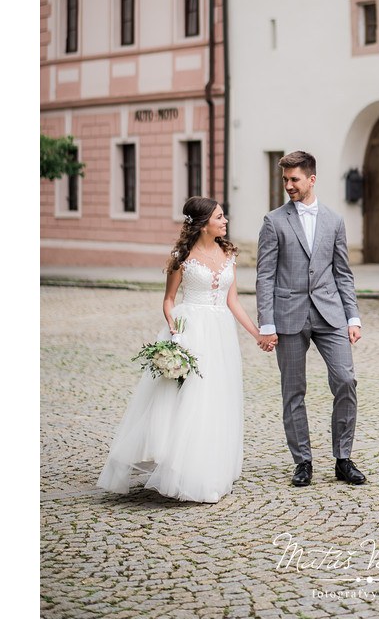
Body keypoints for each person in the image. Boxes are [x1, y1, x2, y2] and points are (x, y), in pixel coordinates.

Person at [96, 197, 264, 503]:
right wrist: (173, 328)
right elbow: (169, 300)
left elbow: (233, 301)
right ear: (202, 224)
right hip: (191, 330)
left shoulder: (228, 252)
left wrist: (256, 334)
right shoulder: (181, 256)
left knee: (217, 398)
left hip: (221, 335)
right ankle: (184, 471)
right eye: (220, 217)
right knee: (189, 400)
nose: (225, 222)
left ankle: (211, 469)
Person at [256, 150, 366, 487]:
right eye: (285, 179)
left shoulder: (334, 220)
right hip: (288, 317)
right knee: (293, 391)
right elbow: (265, 276)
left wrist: (353, 316)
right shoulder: (274, 221)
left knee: (345, 380)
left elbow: (343, 273)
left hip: (330, 313)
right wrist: (267, 323)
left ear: (311, 179)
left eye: (294, 179)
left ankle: (343, 459)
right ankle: (302, 461)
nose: (288, 185)